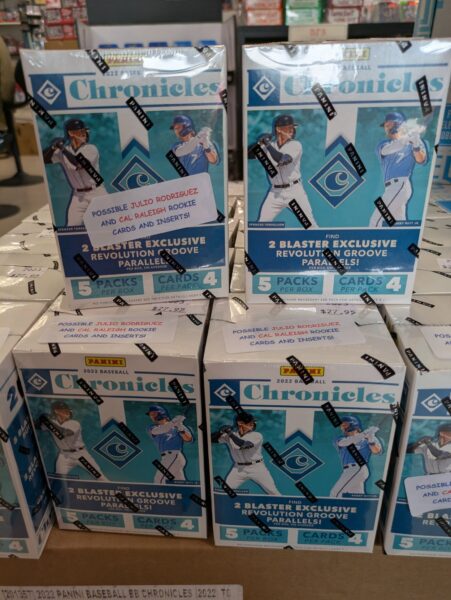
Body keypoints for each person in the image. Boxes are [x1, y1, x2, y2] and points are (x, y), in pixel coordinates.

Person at [249, 113, 317, 225]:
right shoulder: (269, 146)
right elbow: (248, 155)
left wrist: (267, 145)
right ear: (278, 129)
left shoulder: (295, 145)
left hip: (294, 191)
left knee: (309, 224)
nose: (292, 130)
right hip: (275, 193)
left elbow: (283, 159)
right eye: (288, 128)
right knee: (262, 224)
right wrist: (258, 143)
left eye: (292, 128)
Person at [42, 118, 107, 227]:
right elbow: (44, 159)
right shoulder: (65, 151)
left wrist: (62, 148)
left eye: (85, 131)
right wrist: (52, 147)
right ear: (71, 133)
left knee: (106, 226)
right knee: (72, 226)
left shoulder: (91, 149)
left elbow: (78, 163)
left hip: (97, 193)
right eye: (80, 131)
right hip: (78, 196)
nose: (84, 134)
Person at [369, 111, 428, 227]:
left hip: (400, 185)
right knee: (398, 224)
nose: (387, 128)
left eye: (390, 124)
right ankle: (403, 239)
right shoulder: (383, 143)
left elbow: (421, 160)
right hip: (390, 188)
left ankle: (370, 240)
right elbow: (388, 150)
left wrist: (416, 145)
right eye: (386, 125)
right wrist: (406, 139)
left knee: (375, 221)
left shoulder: (414, 141)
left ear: (399, 125)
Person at [211, 411, 281, 495]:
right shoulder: (231, 435)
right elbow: (211, 439)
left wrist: (229, 433)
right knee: (227, 491)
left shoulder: (256, 435)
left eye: (253, 422)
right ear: (240, 423)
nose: (252, 424)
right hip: (238, 469)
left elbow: (244, 444)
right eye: (249, 422)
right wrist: (220, 432)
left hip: (257, 467)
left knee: (273, 491)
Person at [35, 401, 108, 480]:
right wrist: (41, 420)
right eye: (64, 410)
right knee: (59, 479)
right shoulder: (54, 423)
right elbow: (36, 426)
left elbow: (64, 433)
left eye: (67, 410)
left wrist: (49, 422)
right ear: (56, 411)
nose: (67, 412)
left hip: (81, 455)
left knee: (100, 477)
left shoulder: (74, 423)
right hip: (64, 456)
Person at [330, 416, 382, 498]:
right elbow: (344, 443)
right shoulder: (341, 438)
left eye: (345, 425)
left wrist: (371, 440)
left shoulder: (368, 437)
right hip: (349, 470)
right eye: (342, 426)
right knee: (358, 498)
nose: (342, 427)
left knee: (335, 493)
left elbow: (377, 451)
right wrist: (364, 434)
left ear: (353, 424)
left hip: (358, 468)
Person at [146, 404, 193, 483]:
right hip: (167, 458)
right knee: (180, 484)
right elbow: (160, 430)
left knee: (159, 480)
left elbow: (189, 439)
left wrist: (181, 429)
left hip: (174, 456)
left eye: (153, 414)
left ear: (161, 413)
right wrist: (174, 422)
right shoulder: (151, 427)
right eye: (150, 415)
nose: (151, 416)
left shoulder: (177, 425)